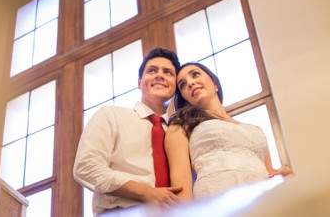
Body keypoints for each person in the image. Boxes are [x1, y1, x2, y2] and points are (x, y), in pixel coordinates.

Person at [73, 47, 183, 215]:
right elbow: (86, 167)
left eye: (168, 72)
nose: (159, 75)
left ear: (175, 86)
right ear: (139, 82)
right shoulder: (110, 115)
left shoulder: (179, 133)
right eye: (152, 70)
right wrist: (148, 193)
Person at [165, 62, 293, 201]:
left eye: (195, 74)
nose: (190, 83)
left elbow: (269, 174)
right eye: (183, 85)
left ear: (215, 83)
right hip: (217, 201)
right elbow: (182, 184)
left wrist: (283, 178)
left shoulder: (254, 130)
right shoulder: (180, 126)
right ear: (185, 99)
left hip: (263, 202)